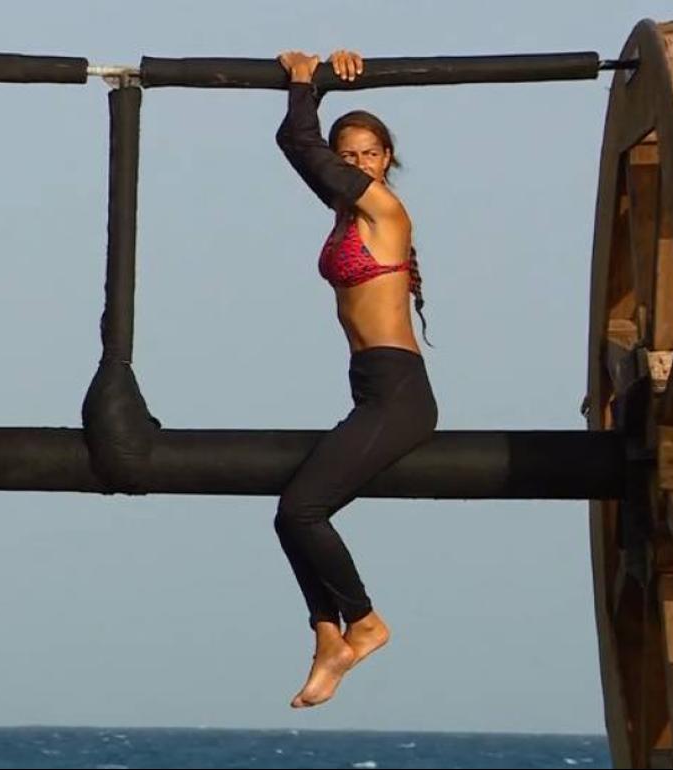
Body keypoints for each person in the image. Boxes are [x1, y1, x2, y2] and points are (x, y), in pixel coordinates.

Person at [273, 48, 437, 708]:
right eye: (351, 153)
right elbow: (300, 144)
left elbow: (301, 143)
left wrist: (303, 78)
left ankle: (364, 623)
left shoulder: (386, 213)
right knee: (291, 519)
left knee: (300, 509)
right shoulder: (347, 214)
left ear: (388, 160)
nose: (360, 163)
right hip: (368, 387)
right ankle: (326, 638)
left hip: (400, 395)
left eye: (371, 152)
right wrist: (306, 87)